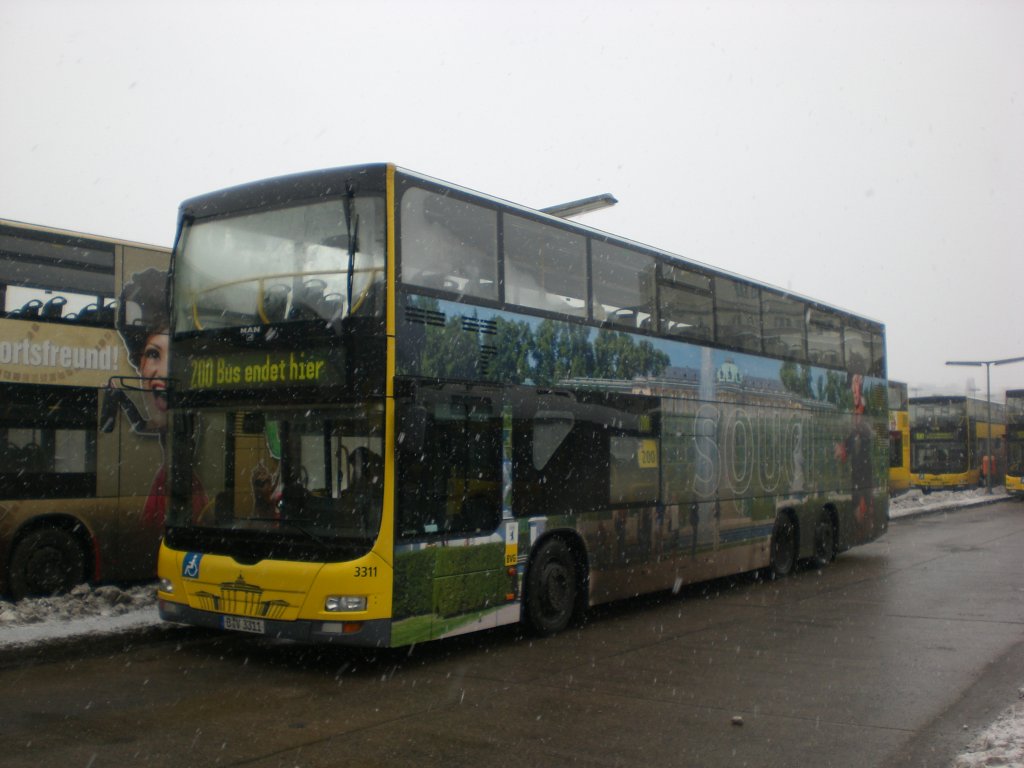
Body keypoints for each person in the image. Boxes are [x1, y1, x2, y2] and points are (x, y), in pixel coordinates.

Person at [116, 268, 207, 528]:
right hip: (170, 483)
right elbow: (143, 426)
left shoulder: (182, 415)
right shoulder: (176, 415)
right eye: (154, 354)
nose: (166, 373)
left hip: (178, 485)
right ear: (139, 362)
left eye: (177, 358)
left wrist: (122, 399)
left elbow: (143, 426)